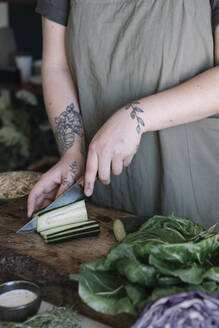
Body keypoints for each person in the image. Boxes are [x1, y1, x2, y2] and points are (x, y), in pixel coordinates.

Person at [28, 0, 219, 228]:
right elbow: (57, 66)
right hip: (104, 186)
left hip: (190, 184)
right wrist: (72, 155)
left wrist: (136, 117)